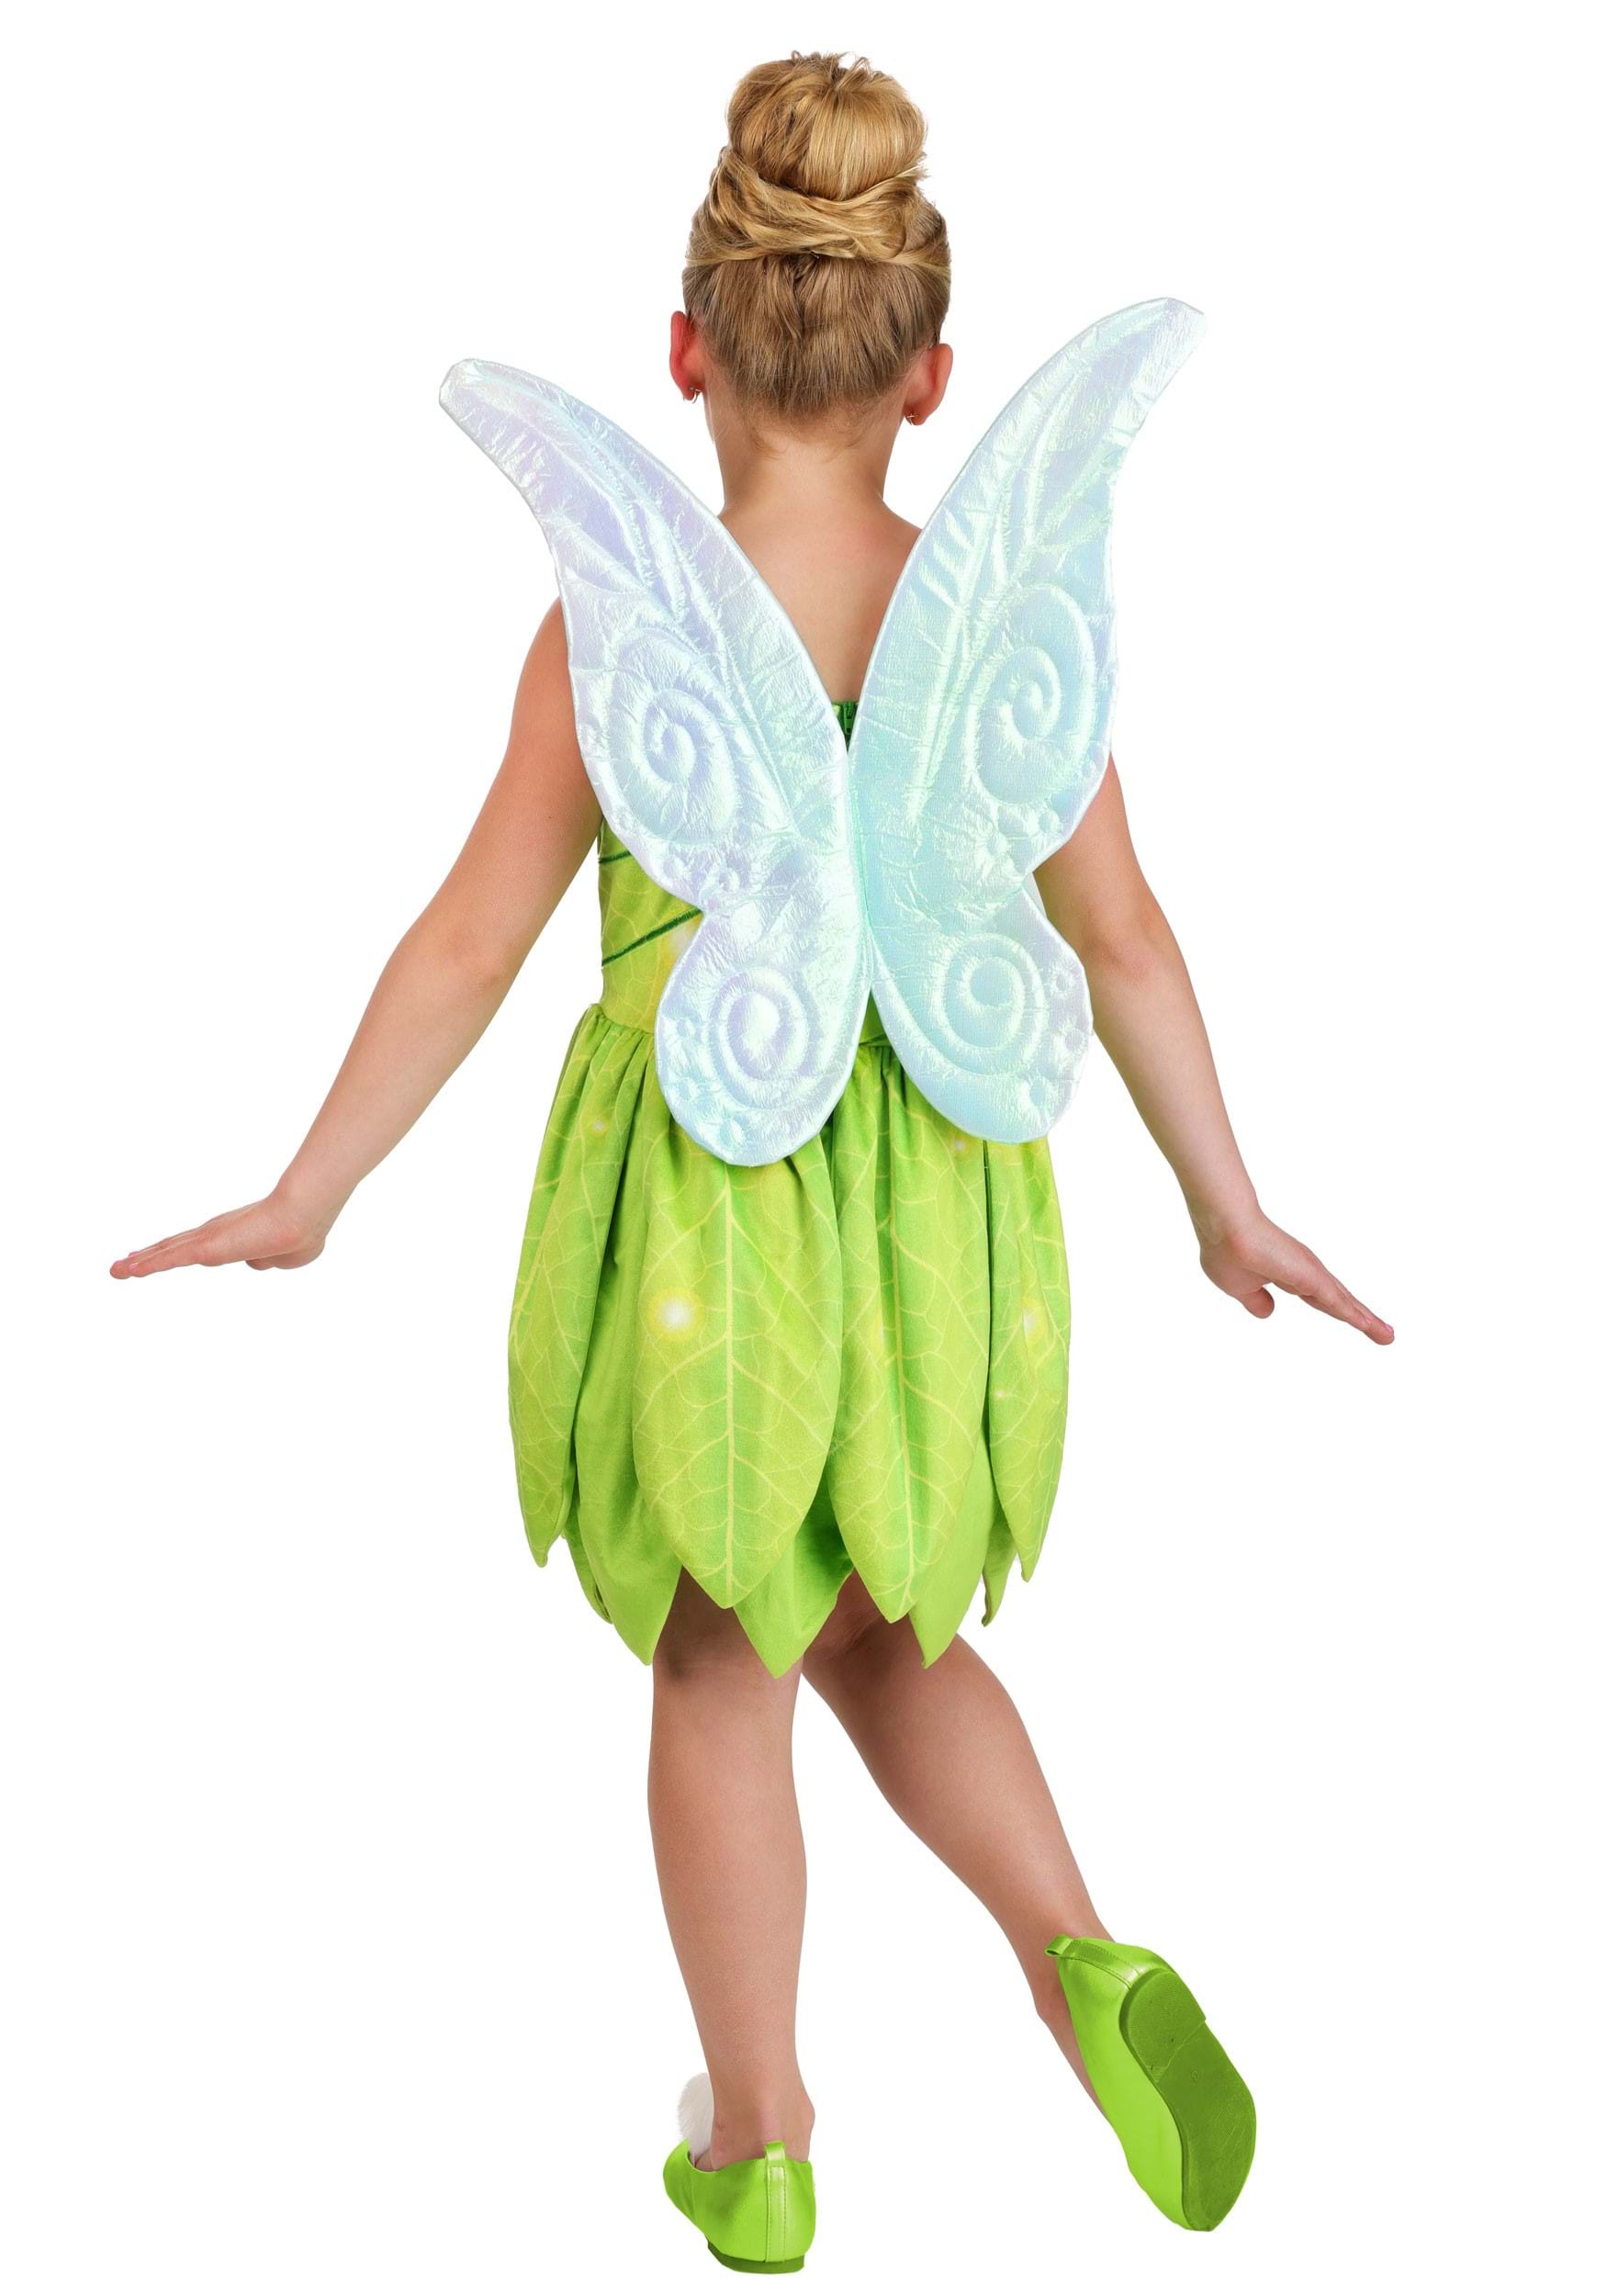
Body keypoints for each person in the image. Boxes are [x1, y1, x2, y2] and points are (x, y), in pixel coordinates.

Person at [111, 49, 1390, 2273]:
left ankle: (764, 2131)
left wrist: (311, 1189)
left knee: (723, 1658)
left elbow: (467, 940)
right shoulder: (996, 634)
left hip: (719, 1181)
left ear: (685, 352)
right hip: (932, 1190)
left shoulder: (620, 636)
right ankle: (1071, 1948)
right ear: (933, 375)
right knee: (884, 1619)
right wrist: (1224, 1198)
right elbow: (1125, 942)